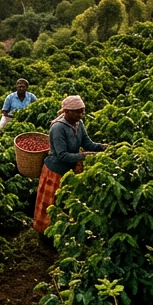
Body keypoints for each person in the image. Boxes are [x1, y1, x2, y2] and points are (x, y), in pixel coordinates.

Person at [33, 95, 108, 233]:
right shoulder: (58, 127)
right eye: (78, 112)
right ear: (66, 111)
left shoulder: (79, 124)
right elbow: (62, 155)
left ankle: (65, 233)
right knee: (51, 205)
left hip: (70, 170)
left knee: (67, 204)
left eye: (82, 111)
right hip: (55, 171)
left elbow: (87, 143)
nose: (81, 115)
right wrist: (83, 156)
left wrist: (103, 147)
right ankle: (45, 234)